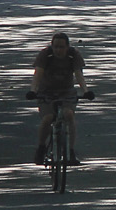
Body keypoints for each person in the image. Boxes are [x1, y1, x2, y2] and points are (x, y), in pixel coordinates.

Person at [32, 32, 91, 163]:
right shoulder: (45, 55)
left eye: (62, 47)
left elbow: (78, 74)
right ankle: (41, 148)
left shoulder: (73, 55)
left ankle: (70, 151)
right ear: (52, 46)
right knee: (48, 118)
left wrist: (85, 91)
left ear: (67, 46)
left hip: (66, 92)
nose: (58, 50)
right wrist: (33, 90)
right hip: (46, 92)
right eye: (56, 47)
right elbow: (38, 74)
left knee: (69, 115)